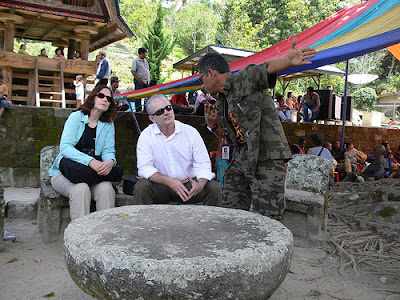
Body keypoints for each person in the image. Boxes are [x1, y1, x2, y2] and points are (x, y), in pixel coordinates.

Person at [196, 38, 316, 218]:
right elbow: (230, 138)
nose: (202, 85)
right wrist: (213, 126)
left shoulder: (244, 77)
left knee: (268, 216)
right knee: (231, 209)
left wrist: (289, 61)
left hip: (266, 154)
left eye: (202, 78)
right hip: (241, 155)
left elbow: (267, 68)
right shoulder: (222, 100)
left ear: (211, 72)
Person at [134, 94, 221, 206]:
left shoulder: (190, 132)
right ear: (152, 119)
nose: (166, 113)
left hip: (188, 185)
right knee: (142, 186)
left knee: (214, 188)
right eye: (160, 112)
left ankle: (210, 223)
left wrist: (200, 183)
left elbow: (203, 163)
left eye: (168, 108)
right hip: (162, 186)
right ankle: (143, 222)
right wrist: (170, 181)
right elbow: (144, 168)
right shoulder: (146, 136)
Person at [49, 86, 117, 220]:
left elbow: (108, 151)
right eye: (101, 96)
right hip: (65, 173)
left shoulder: (108, 124)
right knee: (81, 189)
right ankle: (79, 236)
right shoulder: (76, 117)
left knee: (107, 189)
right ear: (93, 97)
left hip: (91, 174)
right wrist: (90, 161)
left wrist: (110, 161)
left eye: (109, 99)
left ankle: (105, 234)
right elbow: (66, 148)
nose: (105, 100)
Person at [131, 47, 150, 112]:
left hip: (146, 81)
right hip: (139, 80)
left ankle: (145, 109)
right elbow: (133, 71)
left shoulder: (146, 61)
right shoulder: (136, 61)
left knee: (147, 96)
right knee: (138, 96)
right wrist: (139, 80)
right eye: (145, 53)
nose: (146, 55)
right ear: (141, 53)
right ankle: (138, 110)